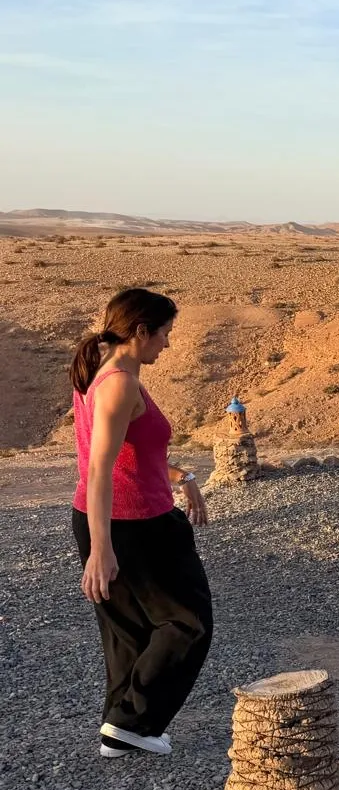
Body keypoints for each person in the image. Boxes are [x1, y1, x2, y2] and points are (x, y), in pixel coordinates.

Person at [70, 289, 213, 758]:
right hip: (133, 524)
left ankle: (122, 726)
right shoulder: (119, 383)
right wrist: (100, 547)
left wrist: (181, 476)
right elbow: (98, 468)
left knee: (128, 630)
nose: (167, 345)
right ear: (140, 331)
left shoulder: (104, 371)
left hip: (121, 517)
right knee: (188, 622)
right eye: (165, 333)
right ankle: (136, 721)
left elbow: (135, 454)